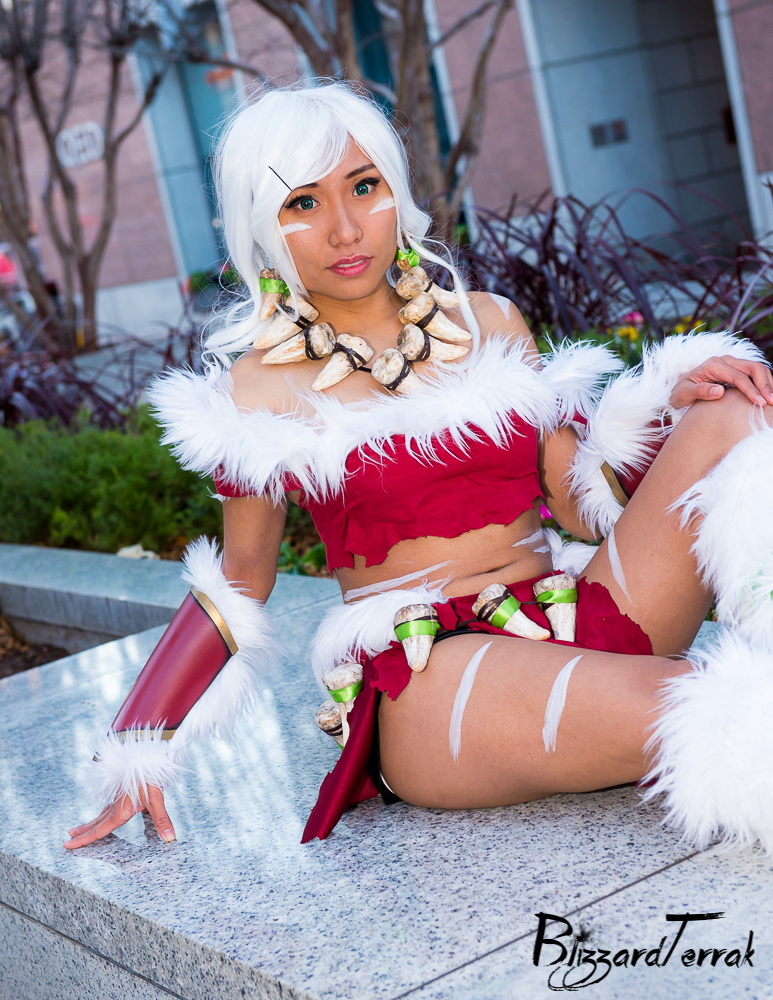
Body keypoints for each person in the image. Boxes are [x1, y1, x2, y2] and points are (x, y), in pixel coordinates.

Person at [65, 82, 773, 854]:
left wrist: (666, 409)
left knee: (733, 404)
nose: (344, 228)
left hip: (576, 617)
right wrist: (138, 743)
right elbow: (240, 578)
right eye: (303, 202)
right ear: (262, 225)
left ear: (394, 192)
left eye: (363, 187)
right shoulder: (258, 389)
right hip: (429, 675)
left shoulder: (489, 321)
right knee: (707, 706)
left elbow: (577, 503)